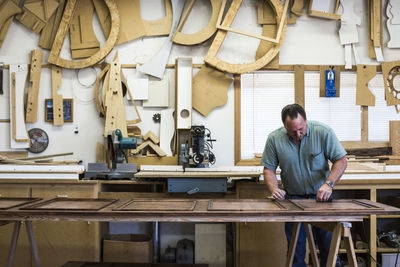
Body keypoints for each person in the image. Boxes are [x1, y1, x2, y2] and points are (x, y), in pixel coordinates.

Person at [261, 104, 347, 267]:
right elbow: (268, 169)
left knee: (329, 249)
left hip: (321, 199)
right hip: (293, 200)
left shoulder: (323, 132)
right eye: (293, 131)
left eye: (301, 128)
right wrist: (274, 189)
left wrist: (329, 184)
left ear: (306, 121)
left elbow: (341, 161)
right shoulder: (274, 138)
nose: (298, 134)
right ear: (285, 126)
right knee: (295, 253)